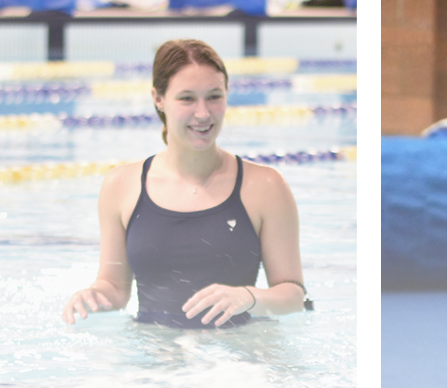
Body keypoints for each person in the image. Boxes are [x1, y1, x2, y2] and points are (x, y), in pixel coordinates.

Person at [62, 38, 306, 328]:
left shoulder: (266, 186)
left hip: (238, 358)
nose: (203, 113)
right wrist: (92, 295)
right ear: (158, 99)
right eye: (187, 98)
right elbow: (114, 289)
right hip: (154, 355)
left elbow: (295, 297)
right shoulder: (121, 185)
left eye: (214, 96)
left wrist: (249, 296)